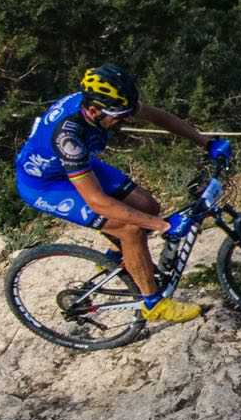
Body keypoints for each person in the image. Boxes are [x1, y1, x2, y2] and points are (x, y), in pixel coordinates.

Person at [14, 65, 228, 324]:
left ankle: (119, 260)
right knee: (130, 229)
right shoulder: (68, 139)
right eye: (119, 116)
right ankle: (154, 304)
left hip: (76, 166)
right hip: (45, 184)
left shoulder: (107, 101)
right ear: (93, 110)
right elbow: (98, 202)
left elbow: (158, 117)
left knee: (147, 205)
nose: (125, 120)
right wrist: (163, 226)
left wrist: (205, 141)